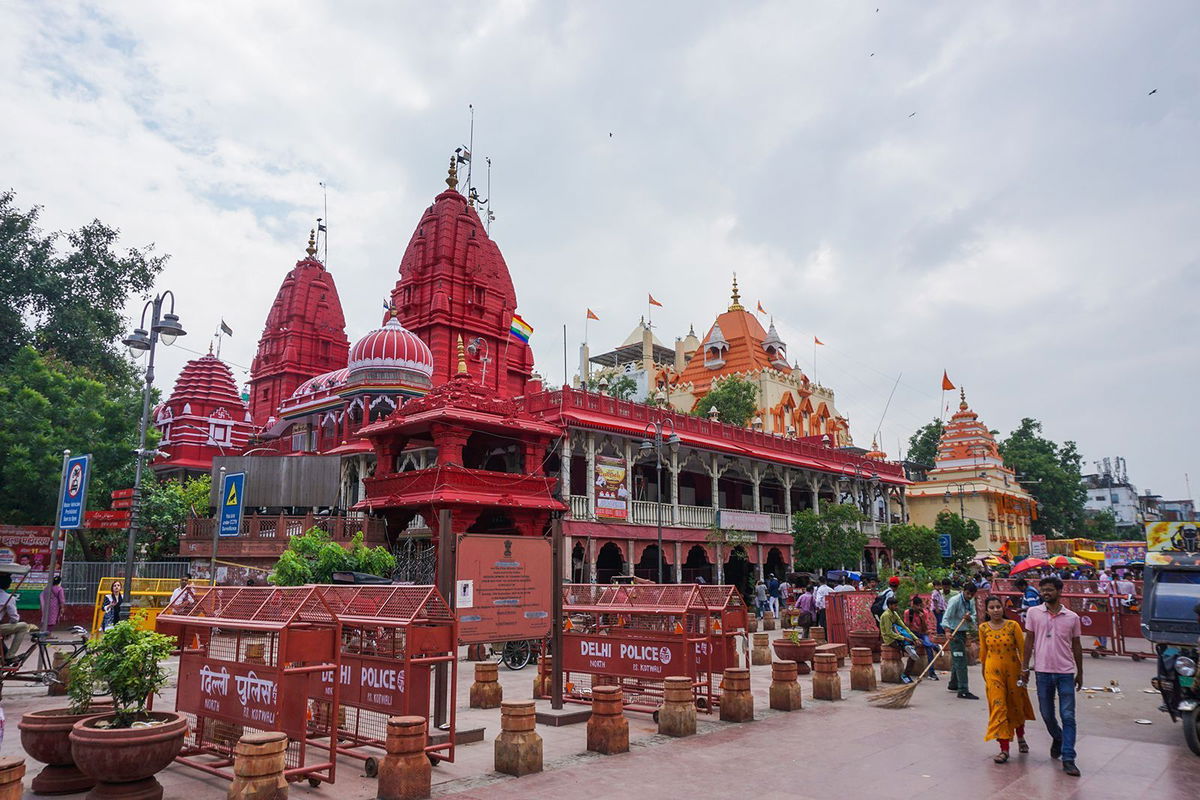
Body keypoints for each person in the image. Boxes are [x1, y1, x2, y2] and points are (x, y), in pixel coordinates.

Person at [1021, 575, 1083, 777]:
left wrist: (1080, 672)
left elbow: (1076, 645)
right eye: (1043, 590)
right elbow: (1029, 641)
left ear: (1059, 592)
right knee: (1047, 714)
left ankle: (1068, 758)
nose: (1046, 593)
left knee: (1068, 716)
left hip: (1065, 672)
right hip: (1042, 671)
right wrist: (1024, 667)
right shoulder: (1033, 613)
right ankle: (1057, 737)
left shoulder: (1072, 617)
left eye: (1050, 589)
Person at [980, 594, 1036, 762]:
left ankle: (1020, 736)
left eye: (998, 607)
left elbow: (1022, 648)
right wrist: (984, 673)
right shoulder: (983, 628)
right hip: (992, 672)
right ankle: (1004, 749)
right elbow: (983, 653)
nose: (995, 610)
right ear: (987, 610)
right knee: (999, 707)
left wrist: (1024, 670)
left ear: (1003, 608)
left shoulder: (1013, 626)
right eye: (992, 607)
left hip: (1014, 671)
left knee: (1015, 704)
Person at [942, 582, 979, 699]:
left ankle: (953, 684)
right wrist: (947, 631)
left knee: (957, 659)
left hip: (962, 632)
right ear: (964, 591)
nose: (969, 596)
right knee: (961, 661)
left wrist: (970, 618)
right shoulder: (955, 600)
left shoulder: (971, 601)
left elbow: (974, 615)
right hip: (954, 634)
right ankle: (963, 689)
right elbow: (946, 617)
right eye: (968, 594)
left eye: (972, 595)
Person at [879, 595, 918, 684]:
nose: (896, 607)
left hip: (898, 635)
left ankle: (908, 648)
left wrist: (915, 638)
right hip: (890, 639)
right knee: (911, 652)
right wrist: (903, 638)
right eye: (895, 605)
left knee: (913, 651)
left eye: (897, 605)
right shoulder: (886, 615)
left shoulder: (895, 614)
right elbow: (889, 633)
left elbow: (903, 626)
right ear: (889, 605)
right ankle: (905, 675)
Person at [0, 574, 35, 663]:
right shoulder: (8, 598)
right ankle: (10, 655)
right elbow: (14, 618)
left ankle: (5, 654)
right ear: (8, 585)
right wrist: (10, 628)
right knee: (23, 626)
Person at [905, 595, 939, 680]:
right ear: (913, 605)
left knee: (928, 649)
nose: (919, 608)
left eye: (920, 606)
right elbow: (907, 628)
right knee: (918, 647)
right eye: (917, 606)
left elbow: (925, 629)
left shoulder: (924, 613)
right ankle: (935, 646)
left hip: (922, 633)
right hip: (912, 634)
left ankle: (931, 672)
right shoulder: (908, 613)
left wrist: (922, 618)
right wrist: (914, 638)